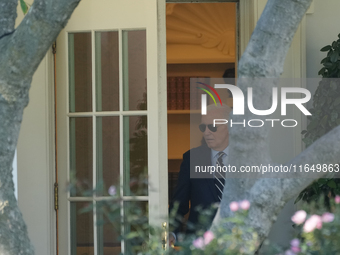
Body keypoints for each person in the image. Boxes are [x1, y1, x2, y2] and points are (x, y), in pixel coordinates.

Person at [169, 104, 231, 244]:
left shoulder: (246, 158)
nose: (207, 132)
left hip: (239, 240)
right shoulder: (192, 158)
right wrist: (171, 231)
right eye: (203, 127)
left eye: (213, 127)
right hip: (199, 242)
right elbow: (179, 204)